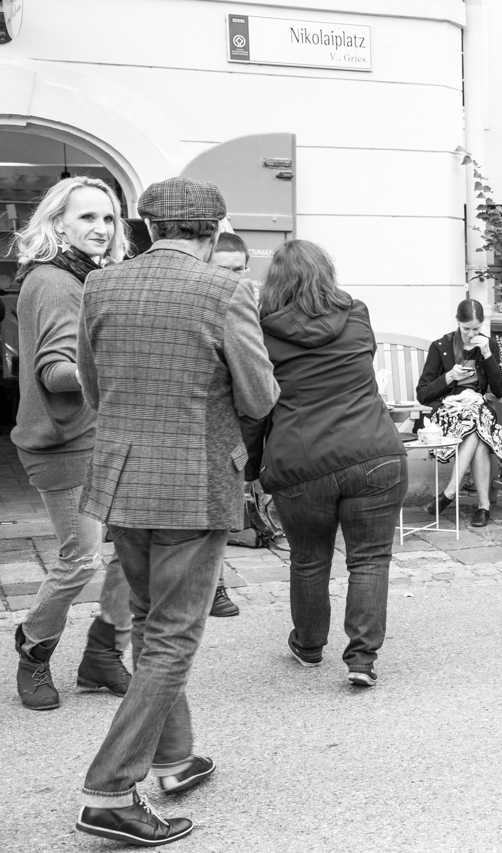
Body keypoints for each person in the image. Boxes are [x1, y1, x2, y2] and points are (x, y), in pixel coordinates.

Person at [74, 177, 279, 846]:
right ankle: (109, 789)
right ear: (214, 231)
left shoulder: (100, 286)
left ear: (144, 226)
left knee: (148, 622)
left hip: (123, 481)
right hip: (194, 486)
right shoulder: (227, 291)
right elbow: (257, 397)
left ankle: (175, 756)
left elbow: (93, 385)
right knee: (171, 639)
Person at [245, 239, 407, 687]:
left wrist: (251, 467)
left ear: (273, 283)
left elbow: (256, 406)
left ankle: (309, 645)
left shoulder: (260, 331)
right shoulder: (357, 314)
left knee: (309, 558)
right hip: (374, 451)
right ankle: (361, 660)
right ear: (326, 275)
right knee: (370, 559)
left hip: (301, 461)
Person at [9, 176, 132, 711]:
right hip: (63, 445)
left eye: (108, 219)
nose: (101, 229)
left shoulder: (87, 277)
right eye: (87, 218)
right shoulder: (57, 282)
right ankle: (33, 648)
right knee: (80, 561)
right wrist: (118, 366)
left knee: (134, 548)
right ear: (58, 222)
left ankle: (102, 655)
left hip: (101, 438)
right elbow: (56, 371)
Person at [415, 298, 502, 528]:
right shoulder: (441, 347)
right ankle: (482, 506)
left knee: (477, 423)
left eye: (476, 329)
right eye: (466, 329)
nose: (471, 334)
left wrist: (487, 355)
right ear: (458, 323)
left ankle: (450, 493)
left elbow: (501, 391)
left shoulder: (487, 345)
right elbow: (423, 394)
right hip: (449, 413)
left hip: (479, 412)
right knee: (480, 437)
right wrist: (450, 377)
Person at [206, 231, 256, 618]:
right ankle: (214, 586)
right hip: (211, 419)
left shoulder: (253, 303)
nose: (232, 278)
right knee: (213, 508)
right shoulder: (202, 302)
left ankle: (211, 585)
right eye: (224, 270)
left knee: (226, 507)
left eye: (238, 270)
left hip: (249, 415)